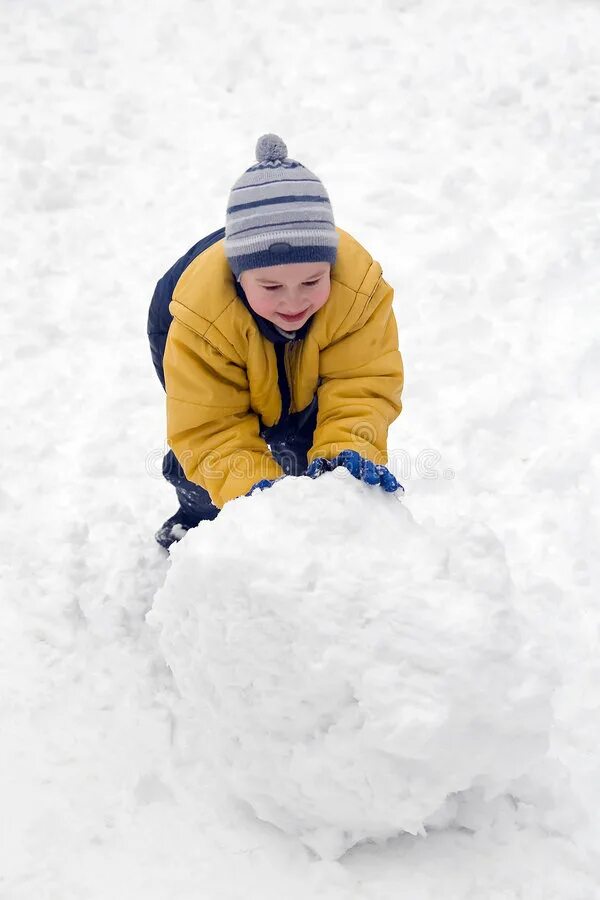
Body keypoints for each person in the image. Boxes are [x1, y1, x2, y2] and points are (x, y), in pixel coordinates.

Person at [147, 133, 405, 550]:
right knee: (199, 458)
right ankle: (196, 517)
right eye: (270, 286)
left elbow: (361, 385)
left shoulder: (358, 297)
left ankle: (311, 497)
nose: (293, 300)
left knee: (304, 444)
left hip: (310, 362)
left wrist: (347, 451)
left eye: (311, 281)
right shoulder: (200, 323)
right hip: (194, 335)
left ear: (331, 267)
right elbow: (210, 426)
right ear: (239, 277)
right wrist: (252, 496)